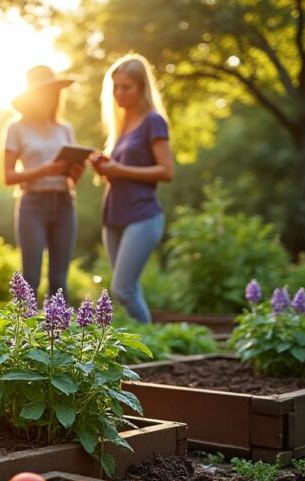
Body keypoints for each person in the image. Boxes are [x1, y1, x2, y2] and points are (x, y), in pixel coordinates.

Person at [91, 53, 174, 323]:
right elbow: (119, 176)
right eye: (115, 87)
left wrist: (119, 169)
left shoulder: (153, 121)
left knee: (123, 289)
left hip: (143, 215)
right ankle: (143, 348)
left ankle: (150, 347)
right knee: (128, 289)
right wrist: (104, 169)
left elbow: (166, 171)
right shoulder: (123, 125)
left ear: (141, 88)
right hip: (114, 216)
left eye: (126, 87)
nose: (119, 93)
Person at [3, 66, 84, 299]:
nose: (47, 99)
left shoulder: (65, 128)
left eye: (51, 93)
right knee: (31, 277)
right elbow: (8, 176)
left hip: (64, 203)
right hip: (32, 204)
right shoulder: (16, 128)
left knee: (59, 278)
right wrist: (44, 170)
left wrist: (76, 170)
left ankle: (57, 333)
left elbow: (72, 179)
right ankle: (25, 332)